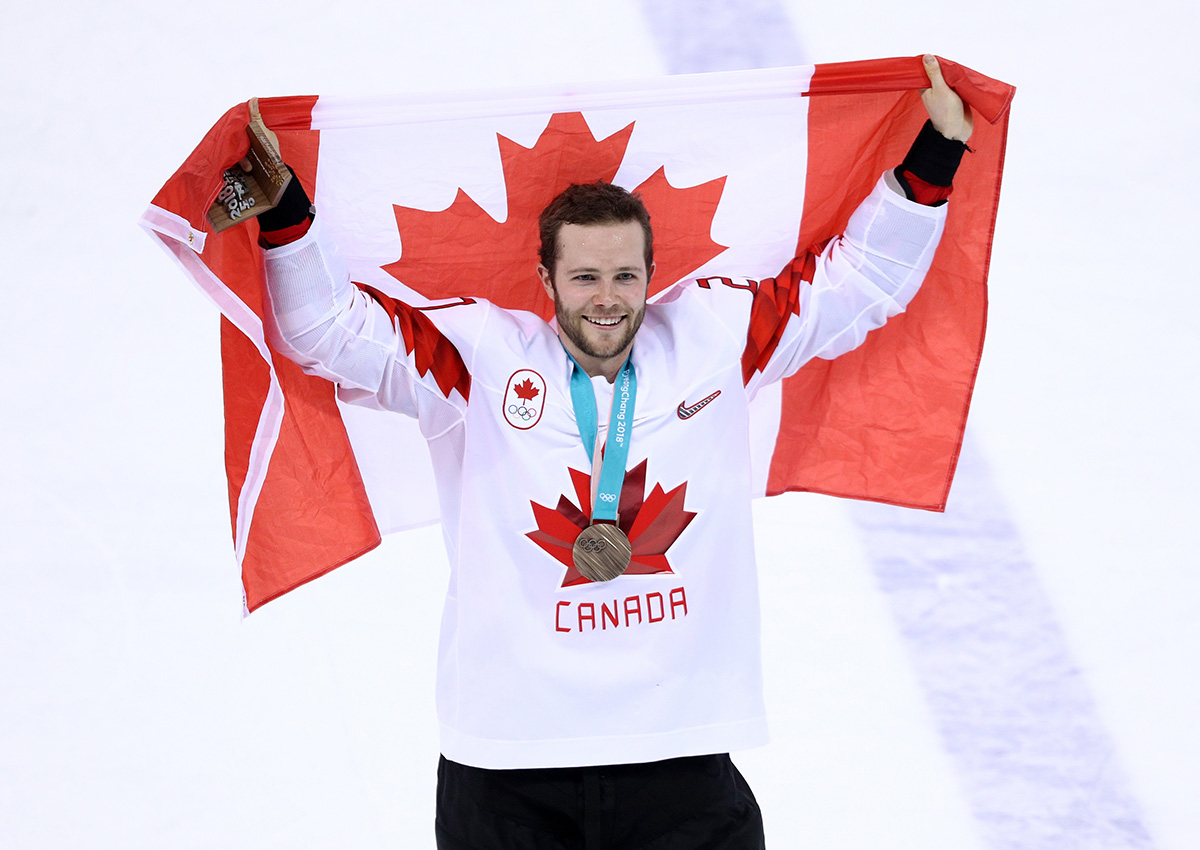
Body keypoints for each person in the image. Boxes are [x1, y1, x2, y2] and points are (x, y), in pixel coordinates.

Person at [256, 55, 973, 850]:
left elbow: (858, 283)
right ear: (545, 277)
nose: (607, 297)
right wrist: (286, 215)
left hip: (680, 754)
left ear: (651, 275)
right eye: (585, 276)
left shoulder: (714, 340)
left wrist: (935, 155)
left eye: (625, 275)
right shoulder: (478, 361)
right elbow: (328, 331)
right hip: (506, 763)